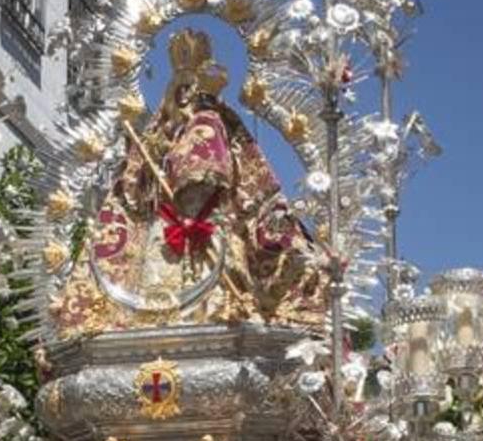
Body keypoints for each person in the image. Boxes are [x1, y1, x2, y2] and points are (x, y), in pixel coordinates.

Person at [48, 29, 326, 338]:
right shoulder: (160, 133)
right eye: (181, 91)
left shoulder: (212, 122)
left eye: (192, 92)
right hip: (166, 227)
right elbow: (135, 186)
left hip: (209, 222)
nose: (186, 100)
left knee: (211, 291)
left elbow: (219, 172)